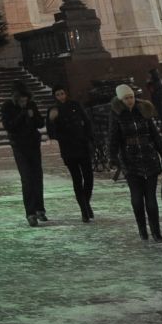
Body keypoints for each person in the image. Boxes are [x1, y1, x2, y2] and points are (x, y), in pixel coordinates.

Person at [108, 83, 162, 241]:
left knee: (151, 199)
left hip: (150, 158)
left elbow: (155, 136)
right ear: (120, 100)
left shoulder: (144, 110)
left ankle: (156, 231)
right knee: (137, 198)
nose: (130, 101)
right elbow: (113, 138)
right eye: (126, 98)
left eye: (131, 97)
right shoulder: (117, 115)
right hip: (130, 161)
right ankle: (142, 230)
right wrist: (113, 157)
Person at [45, 84, 96, 221]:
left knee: (89, 178)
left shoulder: (75, 105)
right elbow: (51, 133)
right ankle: (84, 210)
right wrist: (52, 120)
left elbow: (87, 122)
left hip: (82, 145)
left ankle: (86, 202)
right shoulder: (53, 110)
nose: (61, 96)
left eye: (62, 93)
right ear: (55, 96)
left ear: (66, 93)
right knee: (77, 179)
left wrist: (89, 138)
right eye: (58, 94)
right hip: (68, 149)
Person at [2, 90, 48, 225]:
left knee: (37, 177)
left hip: (33, 144)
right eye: (21, 100)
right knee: (27, 179)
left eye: (26, 100)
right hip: (19, 146)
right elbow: (9, 126)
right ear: (16, 99)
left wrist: (33, 117)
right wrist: (22, 115)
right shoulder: (7, 107)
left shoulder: (31, 105)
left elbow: (40, 123)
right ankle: (30, 212)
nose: (24, 102)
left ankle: (40, 209)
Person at [145, 67, 162, 137]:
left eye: (150, 75)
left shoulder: (156, 82)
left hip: (159, 101)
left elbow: (152, 90)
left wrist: (148, 84)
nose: (149, 76)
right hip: (159, 101)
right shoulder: (158, 81)